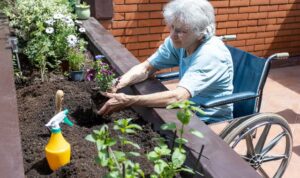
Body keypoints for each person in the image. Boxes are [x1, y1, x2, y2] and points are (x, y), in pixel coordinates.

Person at [98, 0, 233, 123]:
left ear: (201, 33)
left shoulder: (210, 55)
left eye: (181, 31)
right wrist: (117, 83)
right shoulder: (181, 43)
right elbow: (146, 68)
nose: (173, 35)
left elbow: (178, 97)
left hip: (209, 120)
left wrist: (129, 101)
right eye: (172, 26)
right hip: (185, 112)